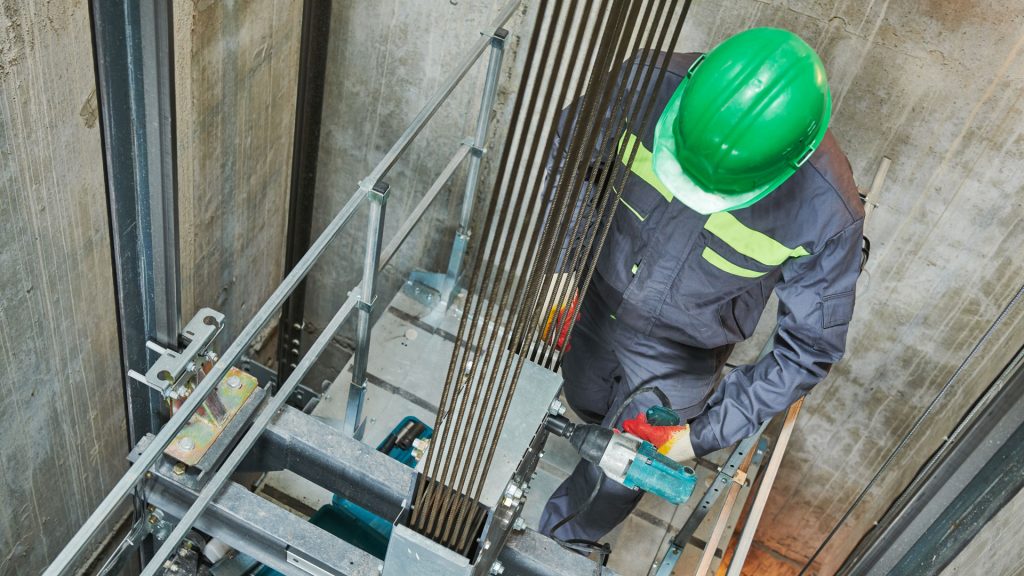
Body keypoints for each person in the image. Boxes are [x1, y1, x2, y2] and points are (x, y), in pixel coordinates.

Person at [539, 27, 865, 544]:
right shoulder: (643, 83)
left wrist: (703, 435)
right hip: (597, 301)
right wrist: (561, 265)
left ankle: (560, 542)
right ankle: (585, 433)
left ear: (791, 164)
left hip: (682, 354)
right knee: (582, 394)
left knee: (622, 470)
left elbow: (807, 349)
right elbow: (568, 157)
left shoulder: (825, 212)